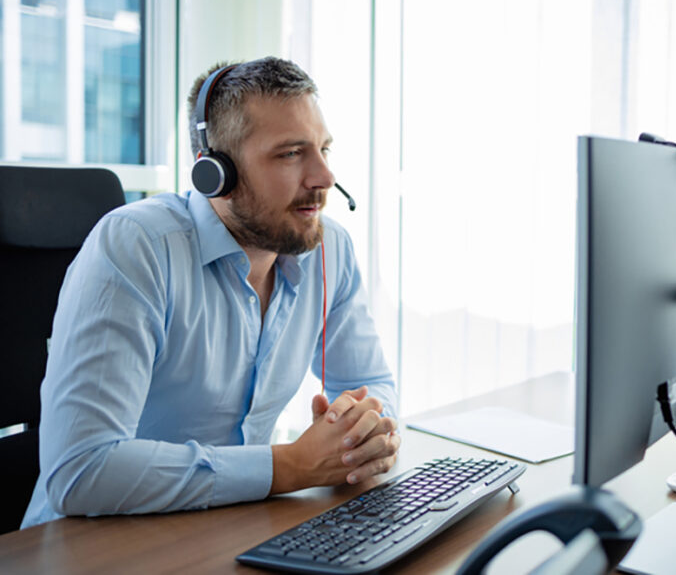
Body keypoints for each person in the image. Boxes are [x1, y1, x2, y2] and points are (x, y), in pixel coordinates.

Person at [22, 57, 400, 528]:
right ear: (215, 172)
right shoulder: (137, 248)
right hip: (89, 544)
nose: (324, 177)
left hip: (226, 529)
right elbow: (81, 470)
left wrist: (361, 432)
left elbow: (373, 385)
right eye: (290, 153)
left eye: (323, 148)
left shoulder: (328, 250)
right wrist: (291, 465)